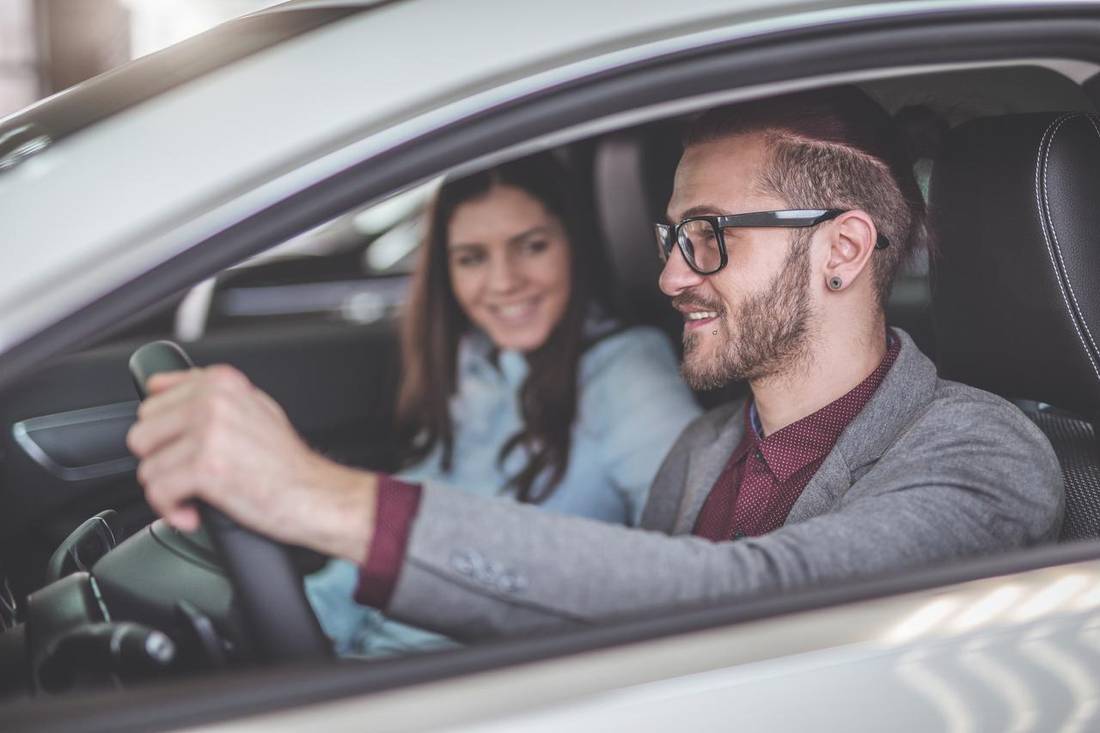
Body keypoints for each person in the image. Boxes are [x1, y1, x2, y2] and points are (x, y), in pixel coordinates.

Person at [128, 86, 1064, 641]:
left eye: (706, 236)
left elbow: (764, 605)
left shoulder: (984, 451)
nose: (666, 274)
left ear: (843, 251)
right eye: (670, 235)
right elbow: (624, 634)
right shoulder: (701, 450)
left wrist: (319, 497)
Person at [305, 155, 701, 655]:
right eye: (472, 258)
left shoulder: (626, 373)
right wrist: (304, 619)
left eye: (531, 247)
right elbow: (389, 539)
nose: (503, 282)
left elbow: (690, 569)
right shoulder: (470, 364)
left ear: (573, 246)